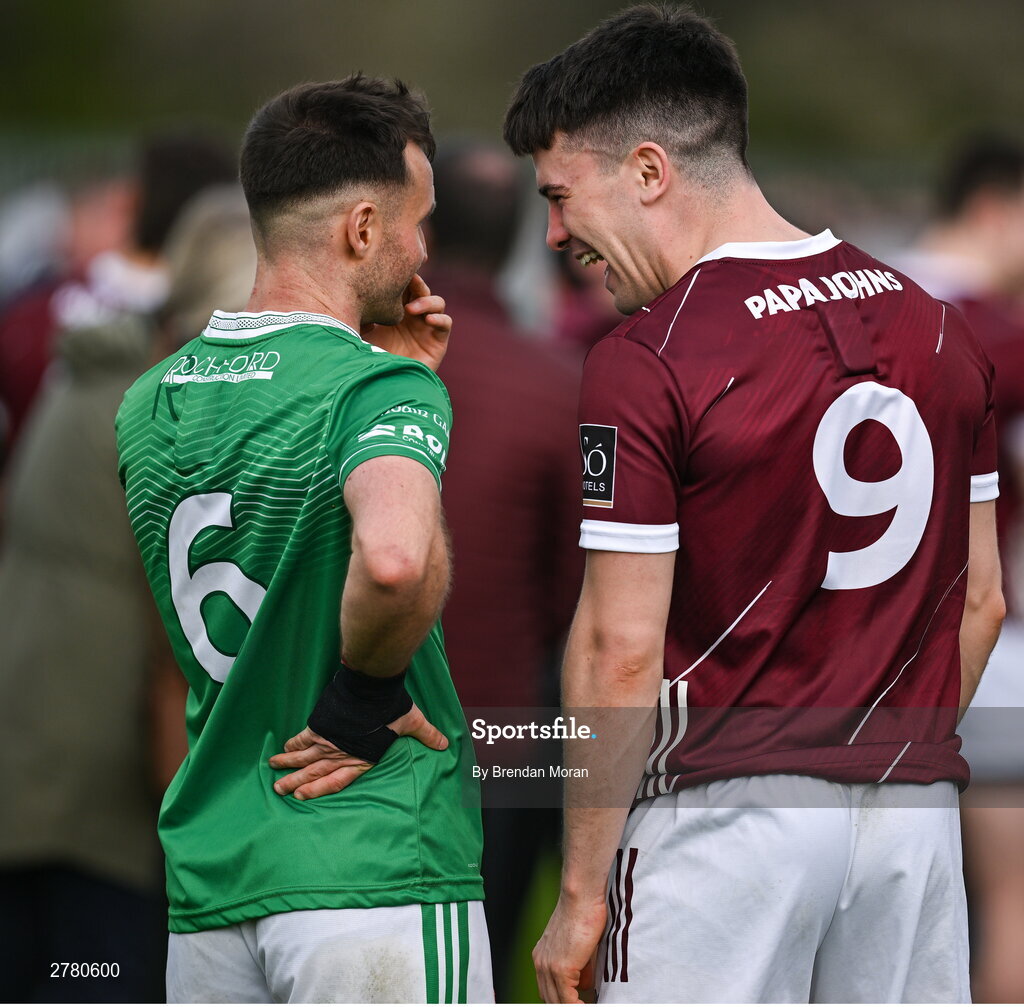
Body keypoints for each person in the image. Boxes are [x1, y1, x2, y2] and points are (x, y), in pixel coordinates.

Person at [502, 5, 1005, 1003]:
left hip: (725, 825)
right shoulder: (939, 327)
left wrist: (578, 885)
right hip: (911, 819)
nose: (556, 234)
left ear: (649, 171)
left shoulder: (650, 356)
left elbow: (620, 648)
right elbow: (981, 601)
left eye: (562, 195)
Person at [115, 76, 492, 1003]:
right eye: (416, 222)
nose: (423, 250)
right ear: (362, 230)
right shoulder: (376, 391)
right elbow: (396, 560)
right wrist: (360, 702)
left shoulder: (145, 402)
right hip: (372, 868)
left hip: (214, 881)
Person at [0, 134, 233, 1005]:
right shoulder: (161, 418)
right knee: (98, 981)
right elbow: (169, 647)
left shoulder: (81, 371)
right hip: (102, 809)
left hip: (28, 769)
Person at [423, 138, 584, 999]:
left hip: (344, 742)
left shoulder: (350, 374)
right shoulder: (558, 386)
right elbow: (570, 594)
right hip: (502, 756)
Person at [899, 136, 1024, 1004]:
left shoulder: (853, 298)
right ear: (996, 207)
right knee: (1007, 904)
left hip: (853, 657)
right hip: (982, 649)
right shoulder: (994, 332)